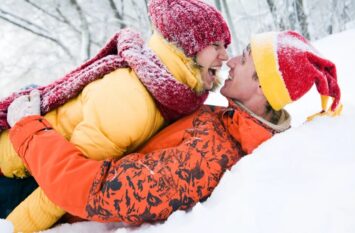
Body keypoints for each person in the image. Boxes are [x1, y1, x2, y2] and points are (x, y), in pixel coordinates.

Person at [6, 30, 342, 227]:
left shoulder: (208, 158)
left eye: (244, 59)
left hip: (40, 192)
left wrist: (28, 128)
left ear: (261, 88)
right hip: (50, 158)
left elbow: (93, 191)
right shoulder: (225, 121)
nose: (231, 61)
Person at [2, 0, 231, 231]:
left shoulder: (167, 96)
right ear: (186, 45)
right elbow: (62, 185)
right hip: (16, 177)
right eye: (215, 45)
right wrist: (12, 228)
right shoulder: (132, 100)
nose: (225, 56)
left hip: (32, 167)